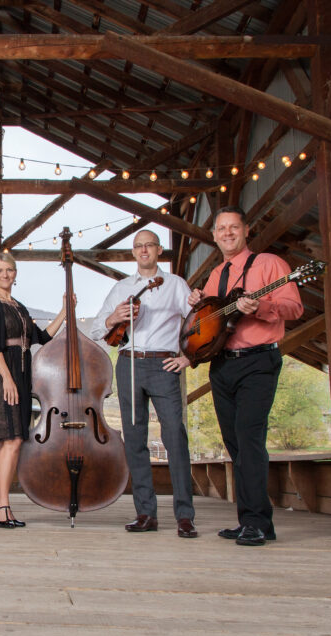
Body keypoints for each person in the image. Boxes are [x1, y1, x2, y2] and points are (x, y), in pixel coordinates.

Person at [188, 206, 303, 546]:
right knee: (235, 445)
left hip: (257, 361)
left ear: (246, 230)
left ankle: (255, 521)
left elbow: (294, 308)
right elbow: (210, 322)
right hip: (222, 364)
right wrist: (197, 302)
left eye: (233, 227)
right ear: (214, 236)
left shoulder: (270, 264)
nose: (227, 233)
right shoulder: (215, 275)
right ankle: (252, 521)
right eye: (221, 228)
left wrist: (263, 308)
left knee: (249, 439)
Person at [90, 229, 196, 537]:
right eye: (138, 246)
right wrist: (114, 318)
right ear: (134, 253)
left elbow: (196, 326)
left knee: (175, 435)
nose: (144, 250)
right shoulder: (122, 287)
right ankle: (146, 513)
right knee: (135, 440)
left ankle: (185, 515)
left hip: (164, 363)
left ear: (159, 250)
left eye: (149, 245)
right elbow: (98, 329)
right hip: (129, 363)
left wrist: (188, 358)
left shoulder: (176, 285)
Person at [0, 252, 67, 529]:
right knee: (11, 441)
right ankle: (3, 505)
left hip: (22, 374)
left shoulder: (20, 306)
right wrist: (7, 378)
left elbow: (41, 338)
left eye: (9, 270)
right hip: (3, 374)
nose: (5, 275)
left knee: (9, 442)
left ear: (15, 274)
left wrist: (65, 311)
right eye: (0, 270)